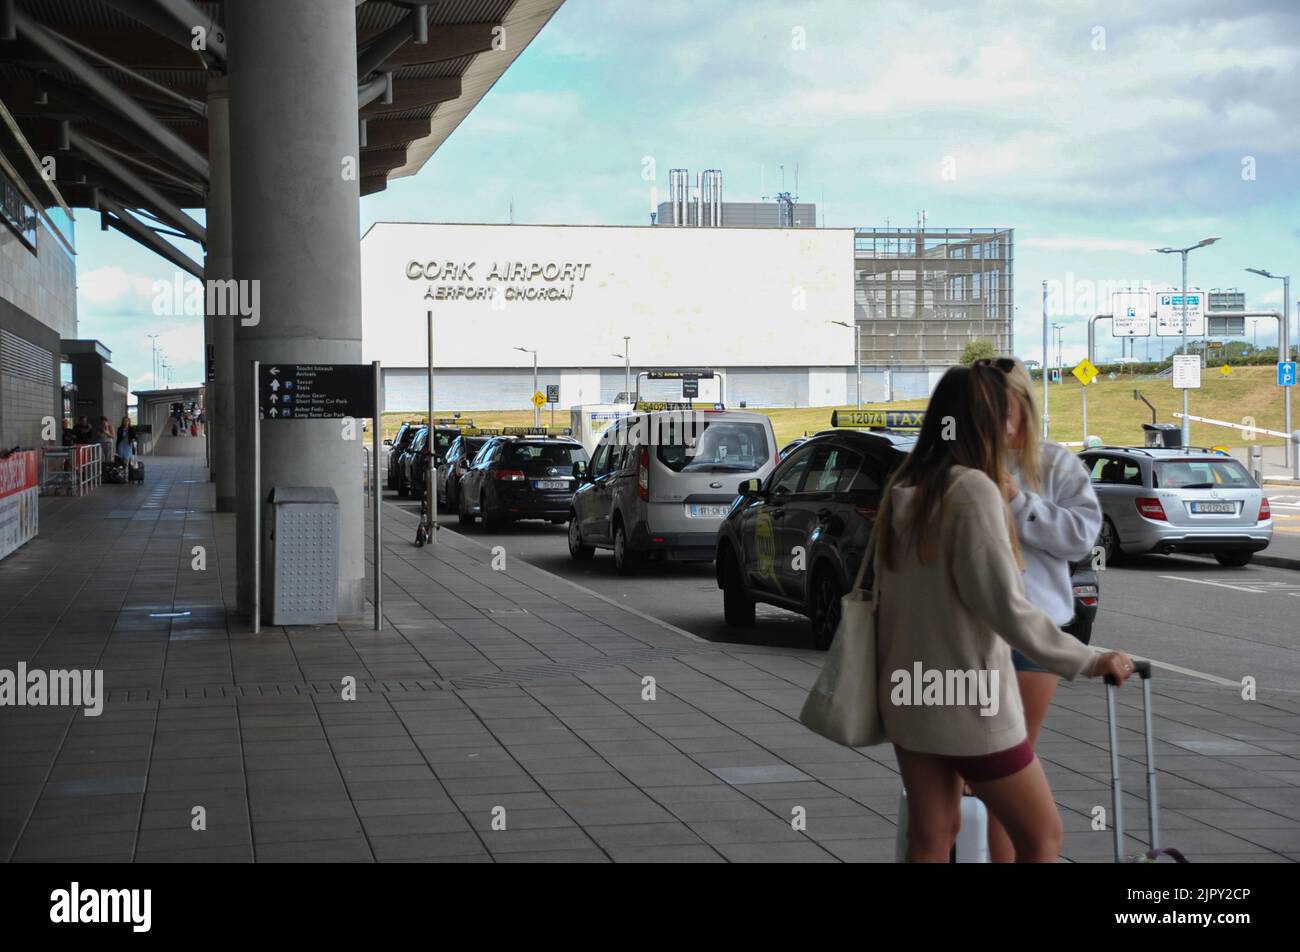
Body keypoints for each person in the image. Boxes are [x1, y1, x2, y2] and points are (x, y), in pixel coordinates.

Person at [871, 364, 1134, 863]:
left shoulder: (907, 485)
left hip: (909, 688)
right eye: (1007, 416)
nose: (1015, 428)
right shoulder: (973, 490)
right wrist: (1088, 658)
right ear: (984, 422)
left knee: (932, 834)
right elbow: (1008, 608)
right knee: (1042, 835)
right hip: (970, 696)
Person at [977, 356, 1104, 863]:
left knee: (1011, 761)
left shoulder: (1054, 464)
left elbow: (1080, 538)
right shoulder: (961, 464)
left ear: (1026, 408)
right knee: (984, 770)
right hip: (973, 634)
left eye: (1006, 411)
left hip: (1035, 634)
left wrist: (1019, 503)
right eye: (985, 413)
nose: (1000, 425)